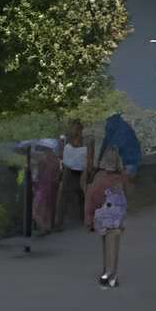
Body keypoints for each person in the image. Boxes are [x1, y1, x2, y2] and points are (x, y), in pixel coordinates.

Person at [89, 151, 129, 287]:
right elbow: (126, 197)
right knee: (114, 247)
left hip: (103, 217)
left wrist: (90, 218)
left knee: (105, 245)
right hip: (116, 217)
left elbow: (92, 197)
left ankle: (106, 272)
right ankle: (111, 275)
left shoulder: (99, 177)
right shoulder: (122, 177)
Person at [59, 117, 91, 229]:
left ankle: (85, 219)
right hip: (68, 170)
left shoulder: (86, 141)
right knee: (64, 194)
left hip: (82, 170)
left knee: (83, 194)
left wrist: (87, 171)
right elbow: (62, 156)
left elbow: (89, 158)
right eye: (74, 128)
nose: (76, 130)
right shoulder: (65, 141)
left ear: (81, 129)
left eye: (78, 128)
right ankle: (59, 221)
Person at [27, 138, 61, 241]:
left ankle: (42, 227)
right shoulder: (56, 159)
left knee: (36, 208)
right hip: (52, 185)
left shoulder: (43, 159)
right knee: (49, 206)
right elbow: (58, 173)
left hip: (42, 185)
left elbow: (38, 173)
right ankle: (48, 226)